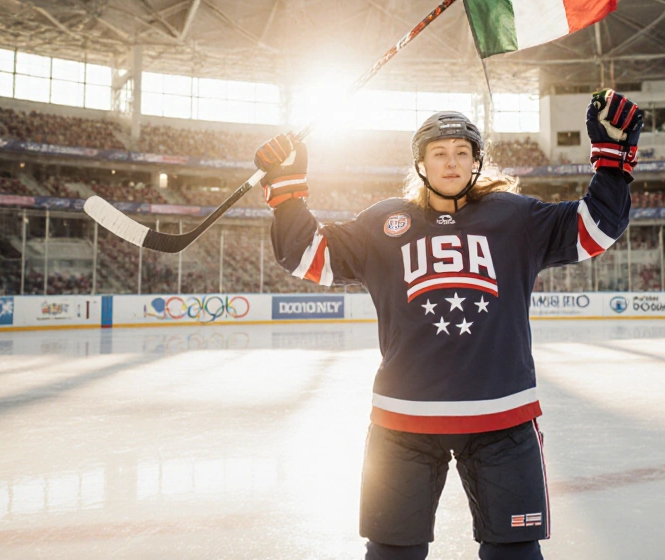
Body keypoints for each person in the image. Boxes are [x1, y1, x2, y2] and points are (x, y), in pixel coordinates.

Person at [253, 89, 644, 560]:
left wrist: (613, 162)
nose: (452, 161)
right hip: (405, 421)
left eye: (463, 152)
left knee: (515, 553)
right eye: (439, 153)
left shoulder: (516, 217)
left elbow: (594, 228)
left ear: (477, 161)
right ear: (420, 164)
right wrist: (287, 188)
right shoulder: (384, 223)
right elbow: (305, 255)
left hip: (503, 418)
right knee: (393, 552)